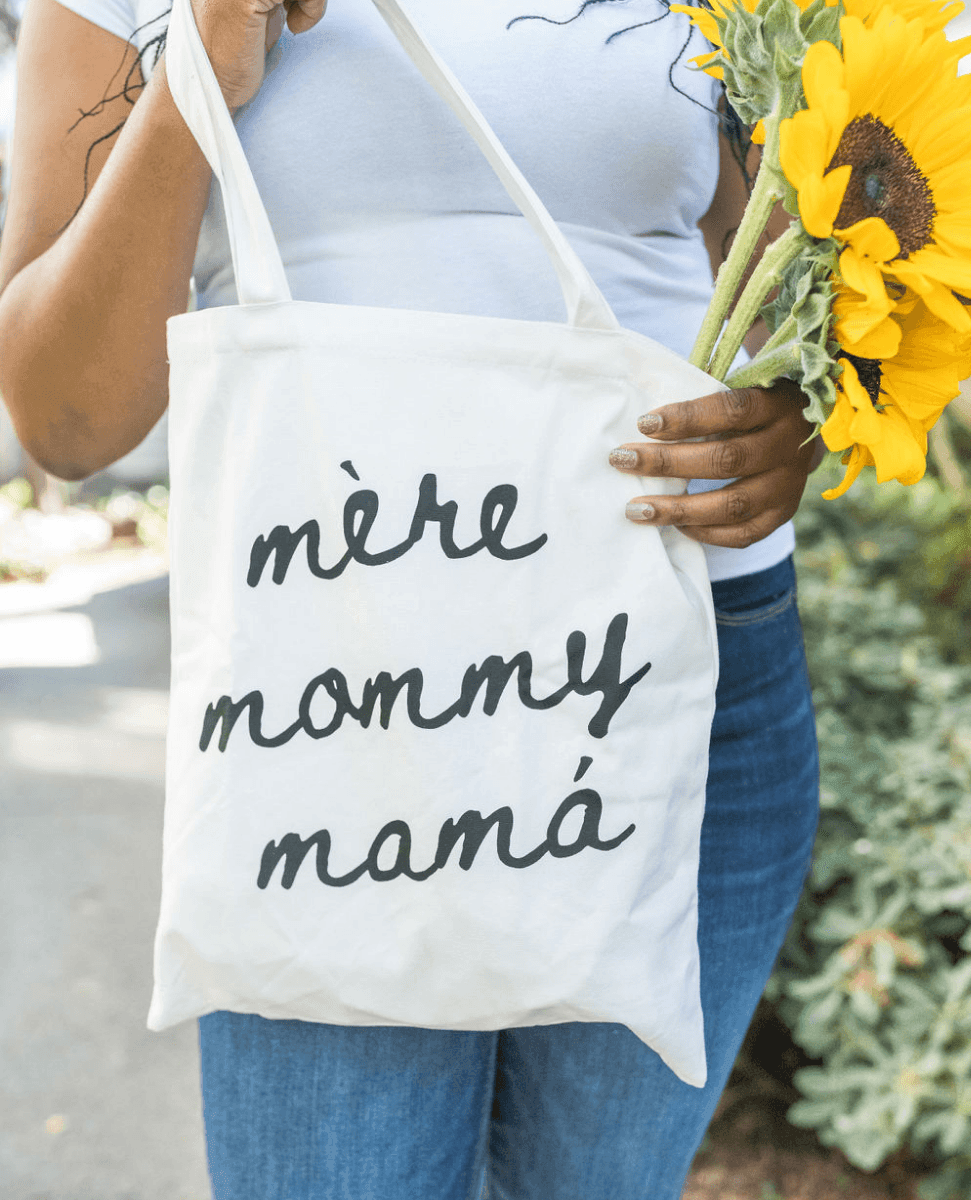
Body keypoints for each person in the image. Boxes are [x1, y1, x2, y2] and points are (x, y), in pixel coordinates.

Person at [0, 0, 821, 1195]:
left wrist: (801, 412)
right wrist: (194, 75)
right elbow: (65, 418)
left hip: (679, 667)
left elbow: (796, 266)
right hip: (339, 701)